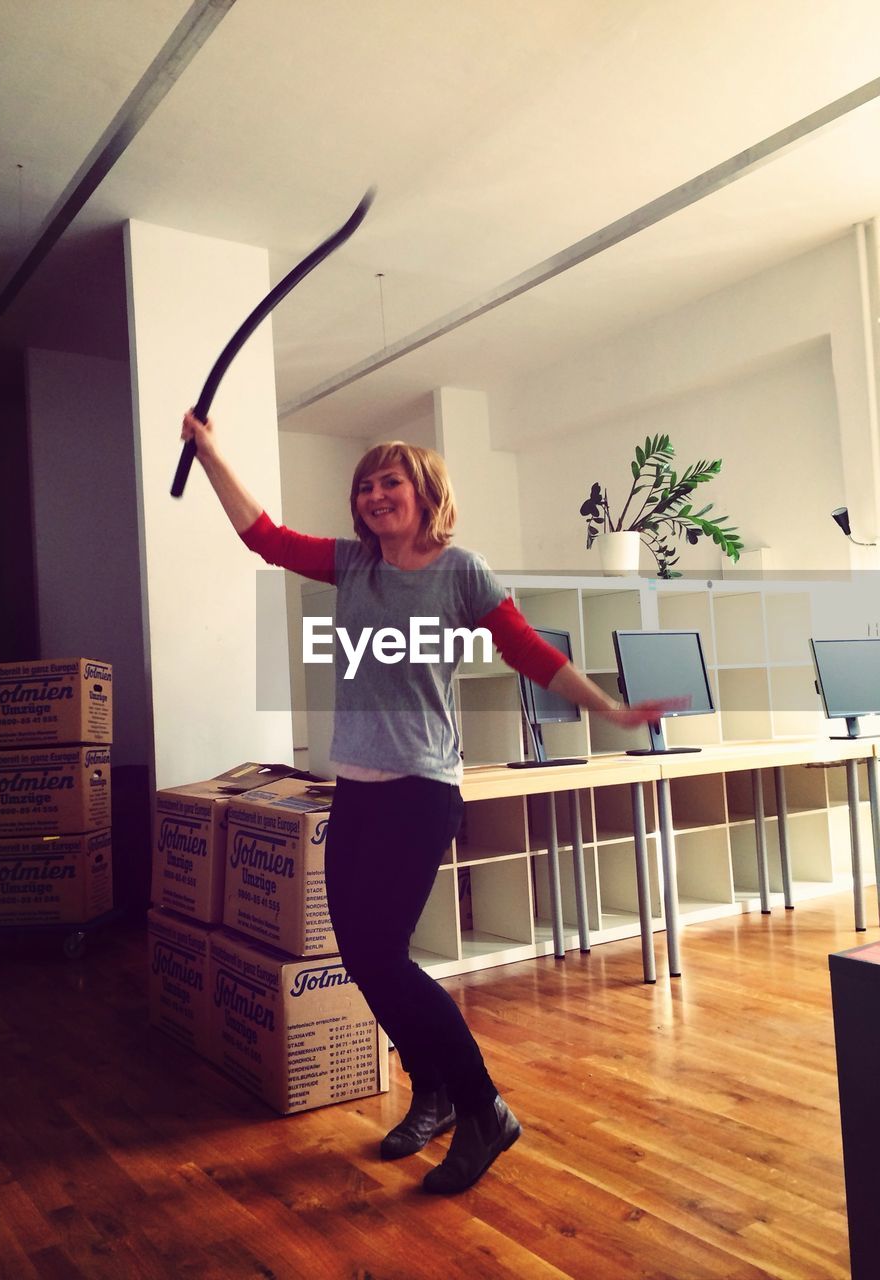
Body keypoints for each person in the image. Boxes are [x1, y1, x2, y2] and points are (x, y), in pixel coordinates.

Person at [180, 409, 678, 1194]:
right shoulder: (353, 566)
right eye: (366, 484)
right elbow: (264, 536)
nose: (376, 493)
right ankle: (436, 1094)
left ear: (424, 493)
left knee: (381, 955)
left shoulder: (461, 571)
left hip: (421, 789)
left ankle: (484, 1109)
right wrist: (209, 453)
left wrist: (609, 709)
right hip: (356, 788)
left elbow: (527, 651)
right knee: (364, 957)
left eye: (392, 480)